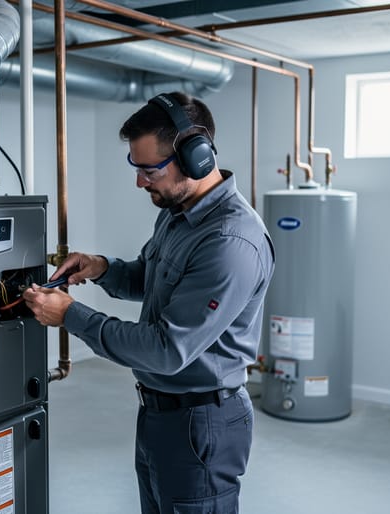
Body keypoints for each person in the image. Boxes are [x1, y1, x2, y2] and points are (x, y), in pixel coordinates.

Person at [23, 91, 275, 514]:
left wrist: (70, 315)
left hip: (202, 423)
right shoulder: (176, 212)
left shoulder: (230, 242)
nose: (140, 181)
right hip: (160, 414)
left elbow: (166, 349)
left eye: (148, 169)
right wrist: (102, 268)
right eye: (135, 167)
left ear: (197, 158)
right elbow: (150, 277)